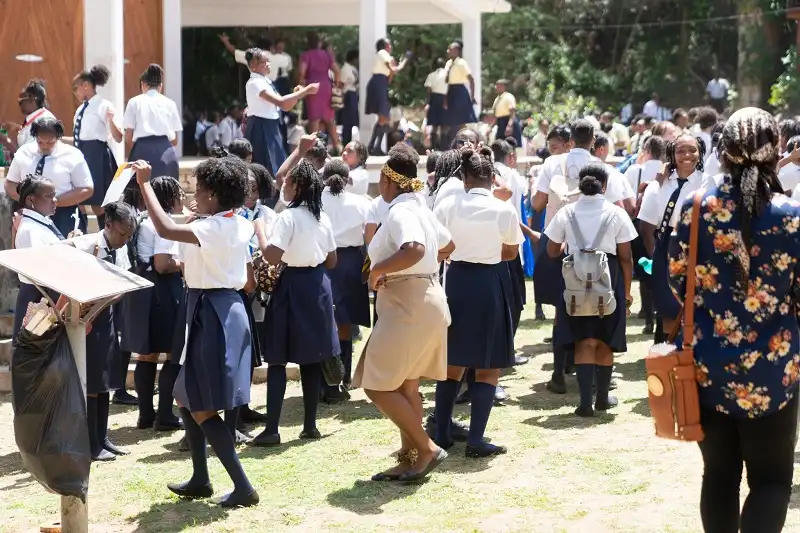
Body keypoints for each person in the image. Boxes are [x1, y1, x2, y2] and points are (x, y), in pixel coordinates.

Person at [669, 107, 799, 533]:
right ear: (775, 150)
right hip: (775, 373)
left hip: (708, 368)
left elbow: (676, 280)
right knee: (772, 482)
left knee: (718, 477)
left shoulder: (695, 207)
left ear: (722, 151)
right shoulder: (791, 216)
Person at [134, 157, 259, 507]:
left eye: (201, 190)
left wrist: (145, 184)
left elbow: (165, 230)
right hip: (220, 307)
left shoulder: (214, 228)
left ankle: (243, 486)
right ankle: (201, 478)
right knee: (185, 395)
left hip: (211, 311)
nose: (195, 194)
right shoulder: (235, 222)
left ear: (217, 195)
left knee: (201, 405)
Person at [354, 143, 453, 481]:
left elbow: (415, 249)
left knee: (377, 384)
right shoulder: (421, 209)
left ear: (387, 180)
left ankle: (426, 448)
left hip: (409, 303)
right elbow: (448, 246)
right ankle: (412, 458)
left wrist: (380, 270)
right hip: (424, 297)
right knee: (407, 386)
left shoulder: (400, 212)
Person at [433, 145, 522, 456]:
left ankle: (441, 432)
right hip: (489, 282)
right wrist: (484, 252)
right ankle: (476, 439)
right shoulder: (504, 210)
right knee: (488, 366)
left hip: (455, 281)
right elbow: (511, 252)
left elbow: (438, 244)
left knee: (452, 362)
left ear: (464, 177)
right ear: (493, 177)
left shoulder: (448, 206)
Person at [251, 137, 339, 447]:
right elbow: (332, 259)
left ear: (298, 188)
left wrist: (261, 233)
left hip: (290, 287)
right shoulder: (321, 217)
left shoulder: (287, 217)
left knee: (277, 358)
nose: (283, 186)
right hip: (316, 287)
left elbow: (272, 257)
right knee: (311, 358)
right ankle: (310, 425)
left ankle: (273, 428)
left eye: (287, 183)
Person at [544, 164, 636, 416]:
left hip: (574, 281)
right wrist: (626, 292)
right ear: (604, 186)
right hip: (610, 278)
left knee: (583, 340)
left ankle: (585, 403)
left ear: (579, 185)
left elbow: (551, 251)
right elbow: (626, 257)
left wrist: (571, 245)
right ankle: (603, 399)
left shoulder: (566, 212)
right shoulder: (616, 213)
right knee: (605, 340)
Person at [533, 119, 602, 394]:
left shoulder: (551, 165)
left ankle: (559, 372)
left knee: (563, 309)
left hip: (557, 240)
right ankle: (590, 373)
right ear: (593, 140)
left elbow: (538, 202)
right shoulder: (600, 167)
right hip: (592, 244)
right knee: (592, 306)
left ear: (569, 140)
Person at [65, 201, 137, 461]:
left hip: (107, 315)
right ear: (108, 226)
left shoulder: (122, 247)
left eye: (129, 235)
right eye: (122, 234)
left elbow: (123, 281)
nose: (125, 239)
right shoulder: (85, 244)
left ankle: (102, 437)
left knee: (105, 380)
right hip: (87, 319)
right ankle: (91, 444)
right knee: (92, 382)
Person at [121, 176, 185, 432]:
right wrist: (183, 264)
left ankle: (146, 414)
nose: (183, 197)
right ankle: (166, 414)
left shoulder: (142, 220)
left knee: (146, 355)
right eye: (179, 193)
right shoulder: (163, 223)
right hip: (162, 289)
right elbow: (162, 263)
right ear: (169, 197)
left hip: (141, 287)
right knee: (171, 352)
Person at [637, 132, 704, 342]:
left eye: (692, 150)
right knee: (668, 307)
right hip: (667, 246)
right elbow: (646, 228)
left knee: (698, 307)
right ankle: (669, 358)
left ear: (700, 154)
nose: (687, 155)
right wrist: (657, 259)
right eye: (680, 150)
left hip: (700, 246)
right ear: (672, 155)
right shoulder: (659, 185)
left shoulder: (708, 183)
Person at [320, 159, 371, 398]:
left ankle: (325, 382)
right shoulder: (360, 202)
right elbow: (370, 232)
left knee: (322, 321)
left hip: (322, 261)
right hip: (350, 263)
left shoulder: (315, 200)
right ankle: (344, 377)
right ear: (347, 177)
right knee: (345, 323)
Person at [4, 117, 93, 236]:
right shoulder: (24, 152)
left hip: (62, 214)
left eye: (50, 142)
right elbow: (10, 183)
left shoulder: (72, 155)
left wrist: (54, 202)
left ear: (58, 137)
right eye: (40, 142)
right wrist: (27, 201)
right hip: (29, 214)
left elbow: (86, 188)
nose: (45, 146)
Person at [245, 48, 318, 175]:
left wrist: (296, 94)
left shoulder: (266, 82)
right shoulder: (255, 82)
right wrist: (305, 91)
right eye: (263, 62)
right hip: (261, 126)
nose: (268, 64)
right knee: (264, 167)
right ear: (252, 65)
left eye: (268, 61)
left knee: (277, 165)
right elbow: (282, 102)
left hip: (272, 126)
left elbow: (285, 106)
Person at [11, 175, 63, 340]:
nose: (55, 200)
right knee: (32, 353)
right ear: (30, 200)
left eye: (54, 195)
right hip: (38, 298)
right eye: (49, 196)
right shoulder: (31, 229)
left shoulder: (41, 222)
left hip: (43, 296)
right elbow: (44, 267)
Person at [71, 65, 123, 230]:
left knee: (98, 203)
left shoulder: (103, 105)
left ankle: (107, 237)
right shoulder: (80, 109)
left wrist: (111, 120)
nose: (75, 93)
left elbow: (118, 137)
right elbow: (78, 137)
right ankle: (81, 234)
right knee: (78, 199)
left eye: (76, 88)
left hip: (96, 155)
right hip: (81, 155)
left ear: (85, 85)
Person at [123, 64, 182, 180]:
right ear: (160, 86)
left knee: (140, 194)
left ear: (143, 84)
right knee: (166, 193)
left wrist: (136, 151)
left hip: (141, 152)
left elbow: (128, 138)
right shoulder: (170, 103)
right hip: (166, 153)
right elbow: (175, 140)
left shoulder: (134, 102)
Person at [365, 38, 409, 156]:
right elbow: (395, 70)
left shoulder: (382, 57)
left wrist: (394, 67)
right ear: (384, 46)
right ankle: (373, 147)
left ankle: (375, 147)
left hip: (381, 83)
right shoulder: (382, 53)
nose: (391, 46)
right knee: (384, 117)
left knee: (385, 118)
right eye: (389, 44)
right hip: (378, 83)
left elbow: (390, 75)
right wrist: (405, 60)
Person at [298, 33, 341, 152]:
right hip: (326, 86)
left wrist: (300, 86)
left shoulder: (305, 55)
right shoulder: (326, 55)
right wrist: (336, 84)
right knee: (329, 117)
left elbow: (302, 72)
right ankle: (337, 146)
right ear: (319, 43)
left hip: (312, 87)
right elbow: (337, 71)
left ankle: (315, 146)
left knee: (314, 117)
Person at [0, 79, 56, 156]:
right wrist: (19, 128)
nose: (19, 104)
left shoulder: (44, 121)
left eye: (21, 101)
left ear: (31, 99)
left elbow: (29, 158)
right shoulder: (38, 118)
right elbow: (31, 135)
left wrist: (5, 141)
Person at [443, 40, 477, 143]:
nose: (448, 51)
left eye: (450, 49)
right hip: (450, 91)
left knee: (460, 120)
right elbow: (446, 81)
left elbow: (471, 79)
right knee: (451, 120)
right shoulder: (448, 63)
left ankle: (465, 141)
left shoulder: (461, 63)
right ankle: (455, 142)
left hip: (459, 92)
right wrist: (445, 98)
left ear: (457, 51)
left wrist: (472, 96)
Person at [425, 58, 448, 151]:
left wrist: (428, 102)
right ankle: (444, 147)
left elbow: (428, 90)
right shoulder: (447, 75)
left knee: (434, 125)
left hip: (434, 99)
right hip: (445, 99)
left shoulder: (431, 75)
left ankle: (433, 148)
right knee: (445, 125)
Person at [492, 79, 521, 148]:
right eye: (496, 85)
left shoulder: (508, 96)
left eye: (498, 86)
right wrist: (491, 127)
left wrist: (509, 125)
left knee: (510, 144)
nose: (496, 87)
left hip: (508, 121)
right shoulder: (497, 99)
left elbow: (512, 111)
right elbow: (497, 115)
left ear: (503, 87)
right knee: (499, 144)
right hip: (500, 122)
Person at [340, 50, 360, 147]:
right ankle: (345, 144)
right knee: (348, 122)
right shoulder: (345, 69)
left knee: (354, 121)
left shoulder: (354, 69)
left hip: (354, 94)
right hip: (347, 94)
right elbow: (342, 84)